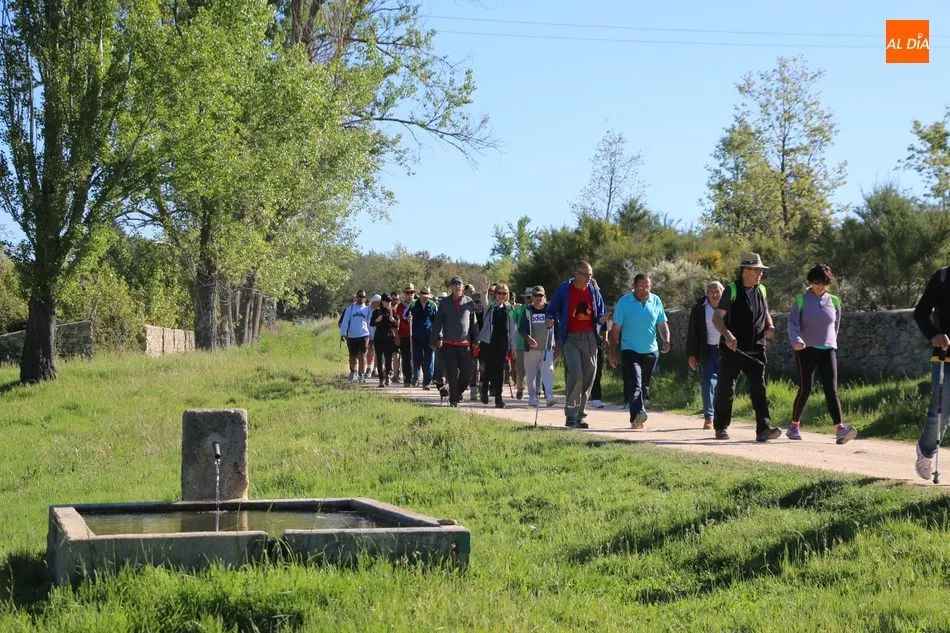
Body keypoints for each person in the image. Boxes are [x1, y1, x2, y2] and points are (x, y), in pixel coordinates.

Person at [710, 253, 782, 442]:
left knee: (759, 388)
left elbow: (766, 312)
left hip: (756, 348)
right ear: (745, 271)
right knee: (726, 388)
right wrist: (728, 336)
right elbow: (717, 318)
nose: (760, 274)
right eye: (757, 270)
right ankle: (721, 427)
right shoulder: (732, 290)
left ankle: (764, 429)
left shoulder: (761, 290)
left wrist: (770, 326)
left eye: (761, 271)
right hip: (733, 349)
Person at [786, 264, 856, 444]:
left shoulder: (834, 301)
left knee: (831, 389)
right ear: (811, 281)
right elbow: (793, 323)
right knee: (806, 388)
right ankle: (794, 426)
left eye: (824, 283)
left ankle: (840, 429)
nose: (820, 286)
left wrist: (832, 341)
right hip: (805, 349)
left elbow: (835, 325)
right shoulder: (800, 300)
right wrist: (796, 340)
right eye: (817, 282)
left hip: (828, 349)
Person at [546, 261, 607, 428]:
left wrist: (602, 319)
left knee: (589, 374)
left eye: (591, 275)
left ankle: (580, 414)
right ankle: (571, 415)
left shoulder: (593, 289)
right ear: (576, 274)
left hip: (590, 337)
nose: (589, 278)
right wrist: (549, 319)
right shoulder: (564, 289)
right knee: (576, 373)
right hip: (570, 337)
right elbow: (552, 309)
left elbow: (600, 310)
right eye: (586, 275)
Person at [609, 272, 670, 429]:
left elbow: (662, 323)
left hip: (651, 351)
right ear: (634, 286)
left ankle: (635, 420)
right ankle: (639, 412)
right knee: (635, 382)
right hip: (630, 350)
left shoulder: (656, 300)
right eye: (641, 287)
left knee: (643, 385)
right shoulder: (624, 302)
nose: (645, 290)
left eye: (647, 286)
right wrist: (612, 351)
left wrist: (666, 340)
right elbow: (615, 329)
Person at [912, 265, 950, 480]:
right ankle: (926, 452)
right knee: (941, 409)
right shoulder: (943, 277)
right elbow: (921, 312)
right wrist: (934, 335)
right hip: (945, 355)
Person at [430, 276, 478, 407]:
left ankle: (454, 393)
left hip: (465, 344)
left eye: (459, 284)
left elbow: (473, 323)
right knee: (451, 374)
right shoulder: (444, 302)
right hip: (449, 344)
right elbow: (437, 322)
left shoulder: (469, 301)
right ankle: (454, 400)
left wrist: (476, 339)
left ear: (463, 286)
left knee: (468, 372)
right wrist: (434, 339)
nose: (457, 286)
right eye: (455, 284)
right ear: (451, 287)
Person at [686, 281, 725, 430]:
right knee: (707, 381)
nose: (714, 295)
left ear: (722, 292)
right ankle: (709, 417)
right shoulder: (699, 309)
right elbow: (692, 332)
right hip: (707, 351)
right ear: (707, 294)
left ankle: (720, 416)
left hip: (725, 351)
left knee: (723, 384)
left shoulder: (729, 306)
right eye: (711, 292)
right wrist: (691, 355)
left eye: (717, 291)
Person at [476, 283, 518, 408]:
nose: (501, 295)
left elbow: (512, 328)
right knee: (489, 368)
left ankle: (498, 398)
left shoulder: (510, 308)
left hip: (502, 341)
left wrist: (513, 347)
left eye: (504, 293)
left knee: (500, 370)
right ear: (495, 294)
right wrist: (484, 292)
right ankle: (484, 389)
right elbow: (484, 302)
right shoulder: (490, 305)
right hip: (488, 341)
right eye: (499, 293)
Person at [520, 285, 556, 407]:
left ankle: (549, 396)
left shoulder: (550, 310)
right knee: (531, 374)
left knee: (548, 372)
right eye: (536, 295)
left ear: (544, 297)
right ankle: (532, 397)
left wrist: (552, 325)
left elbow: (557, 326)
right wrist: (528, 338)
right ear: (532, 297)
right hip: (531, 349)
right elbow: (521, 329)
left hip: (547, 348)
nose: (538, 298)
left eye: (541, 295)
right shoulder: (527, 310)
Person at [339, 290, 371, 382]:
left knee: (362, 355)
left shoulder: (367, 309)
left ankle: (361, 375)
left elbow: (370, 323)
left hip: (364, 335)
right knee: (352, 356)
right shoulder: (350, 308)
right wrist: (343, 333)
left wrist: (372, 335)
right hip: (352, 335)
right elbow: (345, 321)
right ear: (357, 297)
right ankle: (353, 372)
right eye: (360, 296)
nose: (362, 298)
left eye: (363, 297)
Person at [370, 294, 398, 387]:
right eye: (387, 301)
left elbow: (397, 325)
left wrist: (393, 320)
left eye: (390, 301)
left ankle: (388, 377)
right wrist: (377, 320)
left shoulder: (393, 312)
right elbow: (371, 323)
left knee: (388, 358)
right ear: (382, 301)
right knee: (379, 359)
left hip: (389, 338)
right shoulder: (377, 312)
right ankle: (381, 379)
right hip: (378, 338)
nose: (389, 303)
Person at [395, 284, 416, 386]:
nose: (409, 295)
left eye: (411, 293)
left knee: (416, 357)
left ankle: (415, 377)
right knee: (406, 357)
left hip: (416, 335)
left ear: (414, 294)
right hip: (404, 335)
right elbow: (399, 320)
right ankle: (407, 378)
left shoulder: (417, 304)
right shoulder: (400, 306)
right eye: (407, 293)